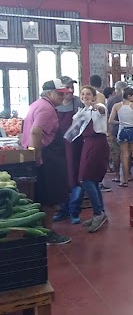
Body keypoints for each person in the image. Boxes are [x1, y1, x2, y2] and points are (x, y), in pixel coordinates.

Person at [21, 79, 72, 245]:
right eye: (59, 93)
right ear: (49, 93)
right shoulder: (46, 108)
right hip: (47, 157)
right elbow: (36, 131)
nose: (63, 97)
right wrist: (37, 155)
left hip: (43, 155)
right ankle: (47, 233)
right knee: (49, 197)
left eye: (64, 93)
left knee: (41, 196)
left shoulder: (36, 104)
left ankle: (41, 231)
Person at [71, 86, 110, 232]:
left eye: (88, 94)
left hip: (97, 144)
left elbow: (101, 110)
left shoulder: (98, 107)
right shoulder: (83, 111)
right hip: (88, 144)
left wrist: (95, 106)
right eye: (82, 94)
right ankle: (101, 212)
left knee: (85, 178)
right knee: (91, 179)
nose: (85, 96)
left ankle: (98, 213)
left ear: (94, 97)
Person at [53, 76, 84, 224]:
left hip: (75, 146)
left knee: (76, 178)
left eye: (72, 87)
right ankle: (62, 209)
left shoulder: (78, 102)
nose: (71, 90)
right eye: (68, 87)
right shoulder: (54, 105)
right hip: (58, 147)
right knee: (60, 178)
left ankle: (74, 210)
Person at [109, 88, 133, 187]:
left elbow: (110, 120)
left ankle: (125, 181)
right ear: (129, 96)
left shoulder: (117, 106)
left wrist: (119, 122)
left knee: (124, 156)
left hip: (122, 131)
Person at [106, 81, 126, 182]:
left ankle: (117, 175)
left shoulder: (111, 100)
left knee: (116, 153)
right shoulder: (129, 100)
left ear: (116, 90)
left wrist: (108, 131)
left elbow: (107, 116)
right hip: (128, 129)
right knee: (127, 152)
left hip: (114, 129)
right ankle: (128, 175)